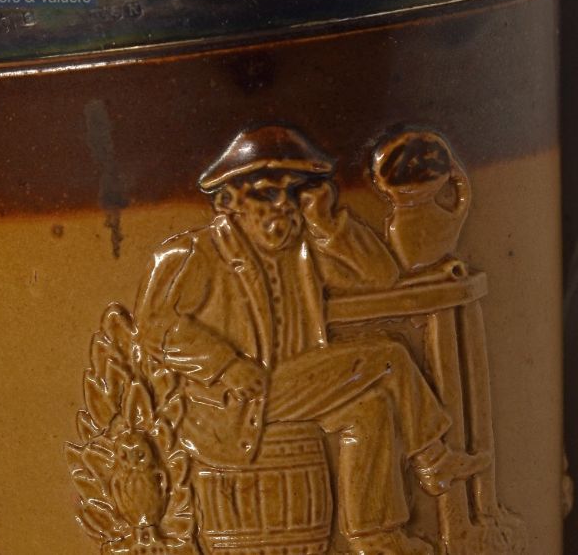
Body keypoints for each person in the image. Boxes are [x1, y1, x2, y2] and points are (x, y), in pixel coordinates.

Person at [134, 125, 487, 554]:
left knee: (370, 410)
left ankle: (375, 537)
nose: (283, 205)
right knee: (389, 358)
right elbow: (155, 328)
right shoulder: (194, 253)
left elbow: (381, 276)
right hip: (236, 401)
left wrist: (329, 223)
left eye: (294, 191)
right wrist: (226, 366)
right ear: (228, 201)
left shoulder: (304, 246)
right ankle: (433, 460)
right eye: (267, 194)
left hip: (292, 387)